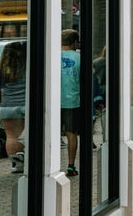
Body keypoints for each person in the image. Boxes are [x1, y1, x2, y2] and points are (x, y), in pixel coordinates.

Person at [0, 41, 27, 173]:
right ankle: (27, 158)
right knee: (27, 135)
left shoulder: (1, 70)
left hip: (7, 106)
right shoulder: (27, 67)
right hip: (26, 104)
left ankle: (16, 164)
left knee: (11, 136)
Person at [60, 30, 82, 177]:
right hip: (72, 101)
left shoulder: (52, 55)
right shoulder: (79, 58)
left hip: (53, 102)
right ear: (75, 42)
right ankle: (70, 165)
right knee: (71, 134)